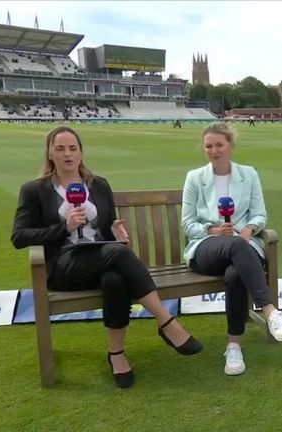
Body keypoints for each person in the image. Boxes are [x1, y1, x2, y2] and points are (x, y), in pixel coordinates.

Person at [11, 126, 203, 389]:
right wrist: (62, 228)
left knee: (115, 280)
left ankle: (117, 355)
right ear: (50, 153)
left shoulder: (98, 185)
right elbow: (19, 237)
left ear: (81, 153)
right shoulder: (34, 190)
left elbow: (108, 225)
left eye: (73, 148)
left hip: (101, 258)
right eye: (60, 148)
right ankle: (167, 322)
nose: (67, 154)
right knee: (118, 254)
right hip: (63, 267)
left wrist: (115, 230)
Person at [181, 123, 282, 376]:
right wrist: (212, 231)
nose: (214, 151)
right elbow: (188, 224)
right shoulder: (194, 178)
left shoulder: (249, 174)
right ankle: (270, 311)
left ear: (231, 146)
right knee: (234, 244)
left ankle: (234, 346)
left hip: (244, 246)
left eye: (219, 145)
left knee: (235, 274)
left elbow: (259, 214)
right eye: (209, 146)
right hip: (206, 249)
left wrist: (248, 230)